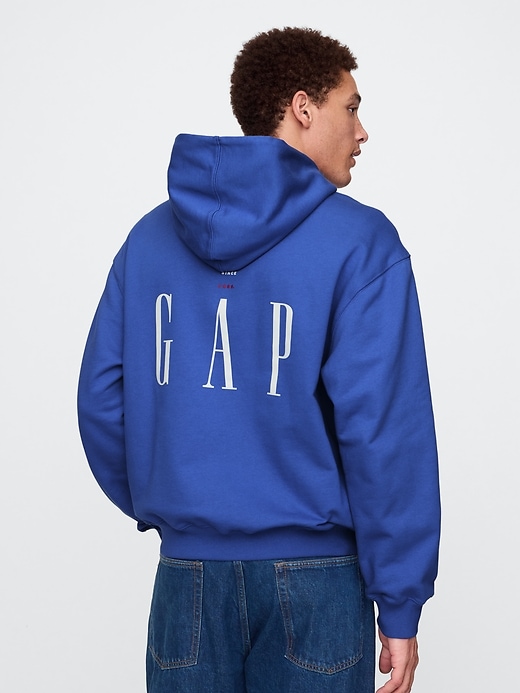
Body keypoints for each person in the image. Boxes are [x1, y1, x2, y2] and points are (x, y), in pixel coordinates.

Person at [78, 27, 440, 693]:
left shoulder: (149, 240)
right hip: (318, 582)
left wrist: (180, 500)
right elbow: (385, 433)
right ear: (303, 108)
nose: (362, 132)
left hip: (186, 579)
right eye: (351, 108)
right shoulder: (361, 243)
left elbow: (102, 399)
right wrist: (400, 599)